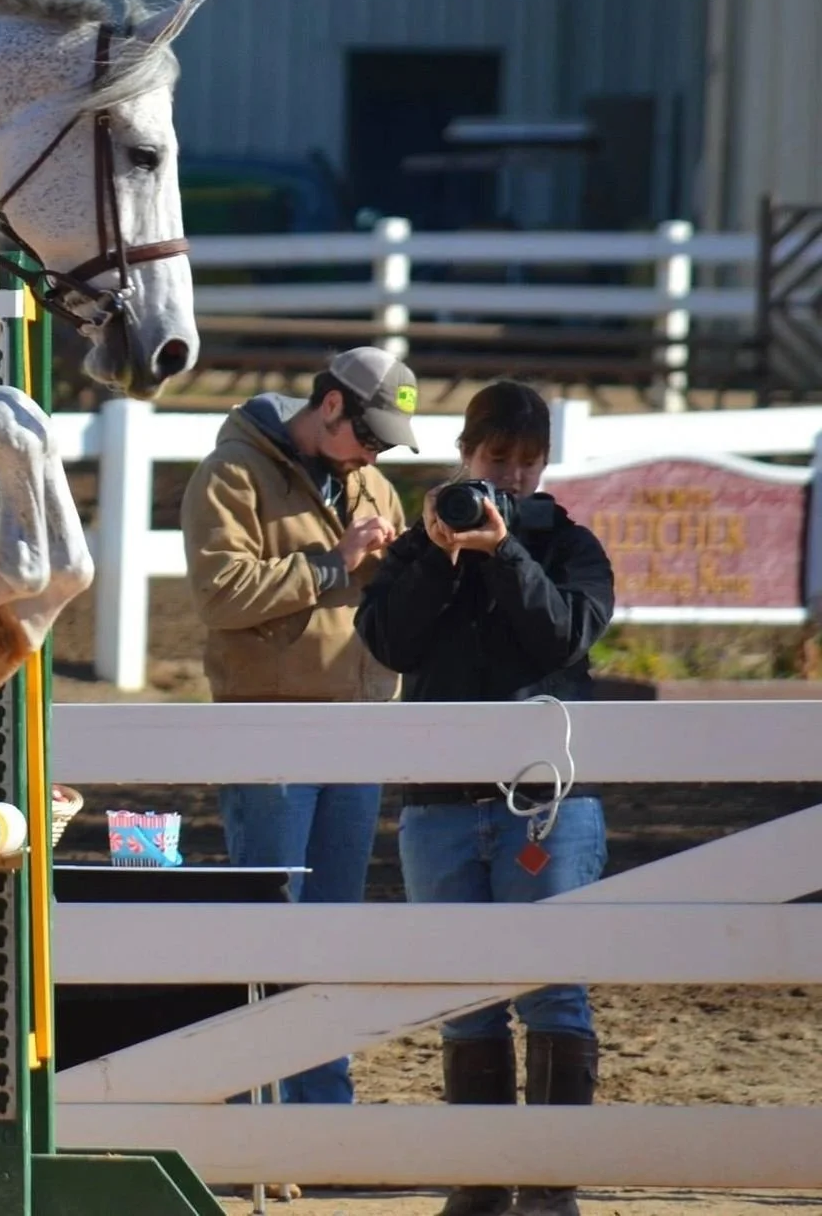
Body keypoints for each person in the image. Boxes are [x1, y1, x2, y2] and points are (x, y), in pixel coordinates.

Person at [355, 380, 614, 1216]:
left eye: (526, 463)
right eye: (495, 459)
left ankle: (548, 1183)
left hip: (544, 801)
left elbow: (562, 637)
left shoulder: (571, 546)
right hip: (436, 799)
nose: (508, 479)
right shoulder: (418, 550)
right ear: (465, 455)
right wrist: (438, 553)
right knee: (461, 993)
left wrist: (504, 554)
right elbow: (389, 641)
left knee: (552, 990)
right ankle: (481, 1176)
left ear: (544, 466)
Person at [180, 346, 415, 1103]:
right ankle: (264, 1114)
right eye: (369, 434)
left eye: (384, 443)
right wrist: (332, 563)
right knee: (272, 924)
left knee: (332, 929)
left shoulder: (373, 483)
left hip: (359, 727)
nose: (375, 453)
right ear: (332, 405)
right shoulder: (231, 475)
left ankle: (323, 1107)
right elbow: (221, 595)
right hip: (269, 729)